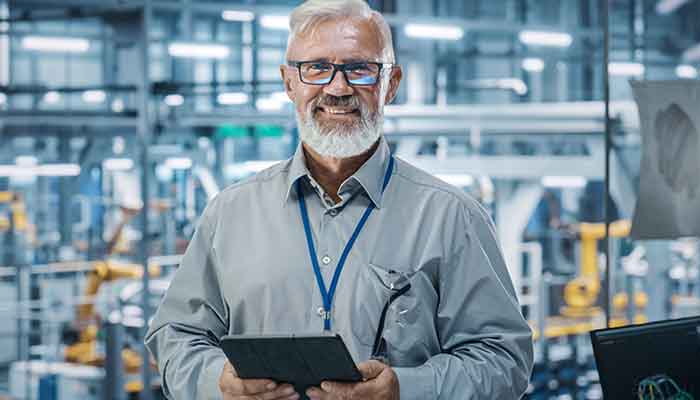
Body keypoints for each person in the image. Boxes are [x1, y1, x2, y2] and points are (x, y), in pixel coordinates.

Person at [145, 0, 533, 399]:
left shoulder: (451, 217)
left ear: (391, 84)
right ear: (288, 82)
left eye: (360, 69)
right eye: (316, 68)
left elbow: (504, 358)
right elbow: (175, 334)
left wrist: (406, 389)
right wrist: (217, 382)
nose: (337, 88)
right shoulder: (230, 213)